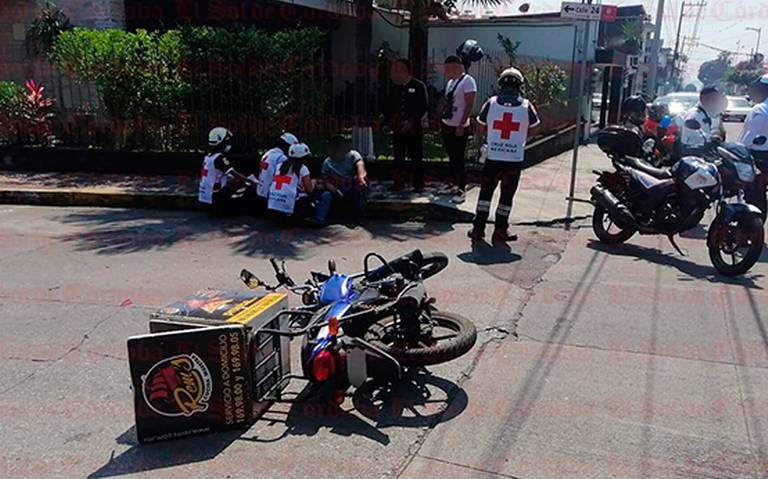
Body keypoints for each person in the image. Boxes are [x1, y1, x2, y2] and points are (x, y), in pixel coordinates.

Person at [468, 67, 540, 243]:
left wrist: (491, 138)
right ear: (519, 86)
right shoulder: (526, 105)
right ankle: (500, 231)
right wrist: (517, 139)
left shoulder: (490, 103)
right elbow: (535, 128)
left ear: (501, 84)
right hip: (513, 161)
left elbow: (480, 126)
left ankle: (478, 229)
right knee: (506, 197)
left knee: (485, 194)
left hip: (492, 159)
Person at [386, 58, 429, 191]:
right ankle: (398, 183)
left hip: (413, 126)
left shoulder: (418, 86)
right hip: (397, 126)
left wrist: (411, 120)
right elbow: (389, 106)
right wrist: (388, 123)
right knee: (398, 156)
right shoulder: (394, 87)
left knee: (416, 155)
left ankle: (418, 184)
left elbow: (423, 105)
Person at [309, 135, 369, 226]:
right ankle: (319, 219)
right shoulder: (327, 163)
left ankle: (361, 216)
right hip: (337, 189)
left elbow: (360, 166)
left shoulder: (353, 155)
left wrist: (361, 178)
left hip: (352, 187)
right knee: (326, 195)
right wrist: (334, 190)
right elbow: (326, 181)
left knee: (360, 189)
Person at [441, 55, 477, 204]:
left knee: (459, 157)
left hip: (459, 124)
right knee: (451, 156)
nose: (446, 71)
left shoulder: (468, 81)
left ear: (457, 66)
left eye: (449, 68)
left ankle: (462, 188)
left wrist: (462, 124)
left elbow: (469, 104)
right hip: (447, 122)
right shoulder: (450, 82)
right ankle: (451, 183)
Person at [198, 127, 248, 213]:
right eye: (227, 141)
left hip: (204, 198)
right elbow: (236, 175)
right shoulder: (219, 158)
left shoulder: (208, 157)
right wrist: (252, 181)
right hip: (215, 201)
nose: (228, 144)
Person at [741, 74, 768, 219]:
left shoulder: (760, 109)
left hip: (758, 157)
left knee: (754, 193)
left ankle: (753, 226)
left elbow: (748, 138)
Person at [267, 143, 316, 223]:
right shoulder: (303, 169)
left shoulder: (279, 166)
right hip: (293, 211)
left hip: (274, 209)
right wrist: (314, 182)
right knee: (311, 200)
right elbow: (309, 189)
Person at [678, 86, 727, 155]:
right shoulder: (694, 115)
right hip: (694, 154)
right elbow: (689, 138)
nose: (716, 101)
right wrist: (711, 138)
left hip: (710, 152)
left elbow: (718, 130)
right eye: (713, 98)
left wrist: (718, 133)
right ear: (703, 98)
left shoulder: (713, 114)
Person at [256, 132, 299, 210]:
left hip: (260, 192)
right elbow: (283, 180)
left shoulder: (268, 153)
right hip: (271, 197)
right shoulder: (282, 158)